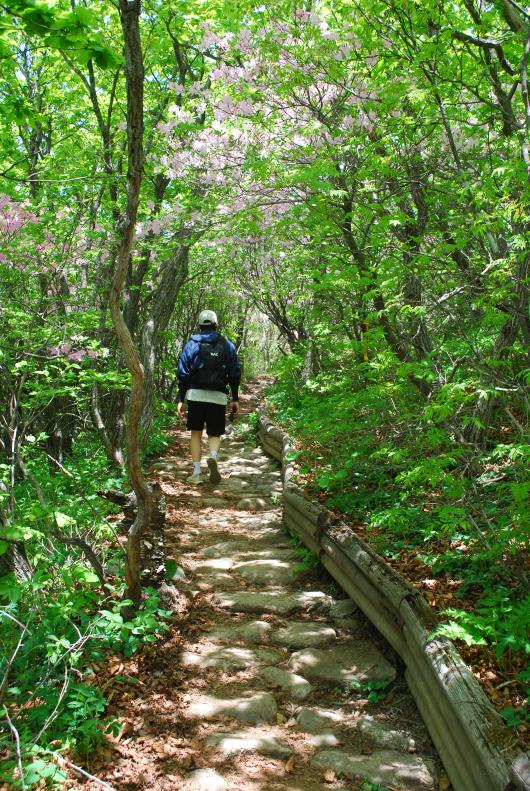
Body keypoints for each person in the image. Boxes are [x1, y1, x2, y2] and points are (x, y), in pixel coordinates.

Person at [177, 309, 241, 484]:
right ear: (215, 324)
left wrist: (181, 398)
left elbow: (183, 372)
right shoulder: (226, 344)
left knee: (196, 433)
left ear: (199, 325)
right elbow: (235, 372)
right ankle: (213, 457)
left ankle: (197, 472)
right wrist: (235, 398)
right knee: (214, 433)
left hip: (196, 395)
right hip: (218, 396)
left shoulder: (191, 344)